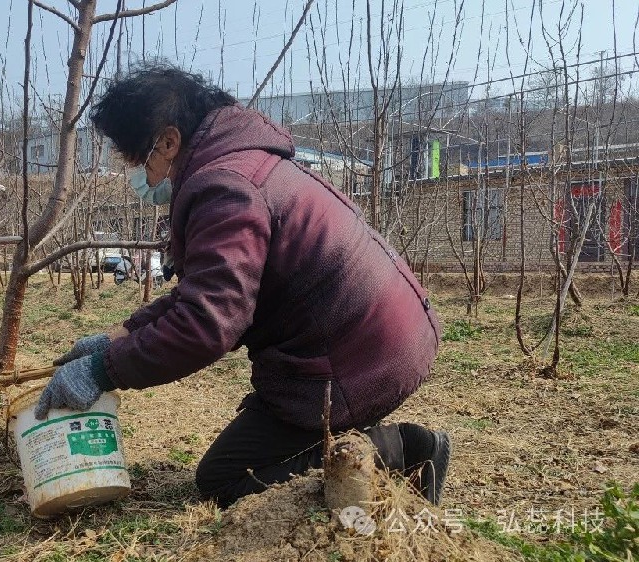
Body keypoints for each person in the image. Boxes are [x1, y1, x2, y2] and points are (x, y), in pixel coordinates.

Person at [33, 62, 450, 509]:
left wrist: (103, 370)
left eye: (139, 159)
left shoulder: (225, 188)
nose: (140, 174)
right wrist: (117, 338)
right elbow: (207, 292)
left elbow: (206, 324)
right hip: (378, 332)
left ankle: (403, 451)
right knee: (237, 463)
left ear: (170, 141)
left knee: (226, 478)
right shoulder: (243, 162)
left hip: (359, 357)